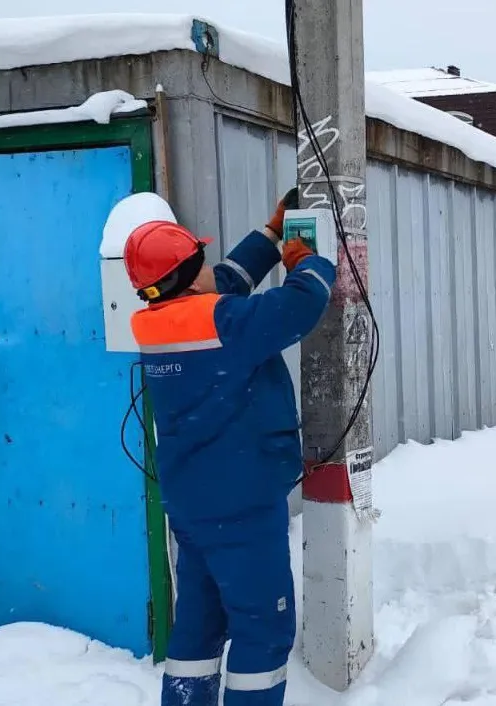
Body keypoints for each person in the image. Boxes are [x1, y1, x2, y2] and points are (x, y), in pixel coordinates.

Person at [123, 190, 336, 706]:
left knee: (199, 627)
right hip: (241, 508)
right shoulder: (226, 324)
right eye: (200, 261)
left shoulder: (158, 323)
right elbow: (302, 303)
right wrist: (307, 262)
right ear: (188, 275)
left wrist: (270, 234)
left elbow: (225, 283)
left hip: (193, 508)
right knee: (263, 631)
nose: (210, 268)